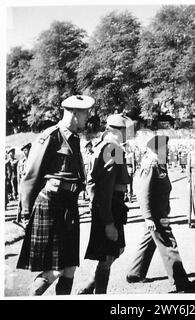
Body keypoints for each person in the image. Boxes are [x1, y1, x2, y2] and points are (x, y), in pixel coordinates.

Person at [16, 95, 95, 295]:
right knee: (56, 269)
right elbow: (30, 176)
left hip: (69, 205)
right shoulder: (51, 136)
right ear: (75, 114)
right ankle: (31, 295)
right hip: (51, 205)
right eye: (86, 113)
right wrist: (26, 214)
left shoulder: (75, 138)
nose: (88, 117)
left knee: (69, 268)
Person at [126, 135, 191, 293]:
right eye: (165, 147)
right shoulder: (152, 164)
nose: (167, 149)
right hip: (155, 214)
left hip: (159, 210)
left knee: (148, 241)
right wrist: (148, 217)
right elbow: (143, 193)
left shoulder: (159, 163)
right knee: (169, 243)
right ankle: (180, 281)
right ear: (157, 149)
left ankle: (135, 274)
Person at [78, 113, 131, 294]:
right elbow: (106, 187)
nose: (128, 133)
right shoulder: (112, 149)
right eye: (126, 130)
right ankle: (98, 293)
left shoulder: (109, 146)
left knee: (118, 250)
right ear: (117, 130)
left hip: (112, 204)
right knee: (108, 256)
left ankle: (89, 286)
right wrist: (108, 222)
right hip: (110, 205)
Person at [16, 142, 32, 223]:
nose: (25, 152)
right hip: (22, 184)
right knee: (20, 202)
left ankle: (27, 217)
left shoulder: (33, 160)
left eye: (26, 150)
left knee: (29, 201)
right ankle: (19, 218)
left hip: (30, 185)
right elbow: (18, 175)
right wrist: (18, 186)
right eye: (23, 150)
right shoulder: (21, 162)